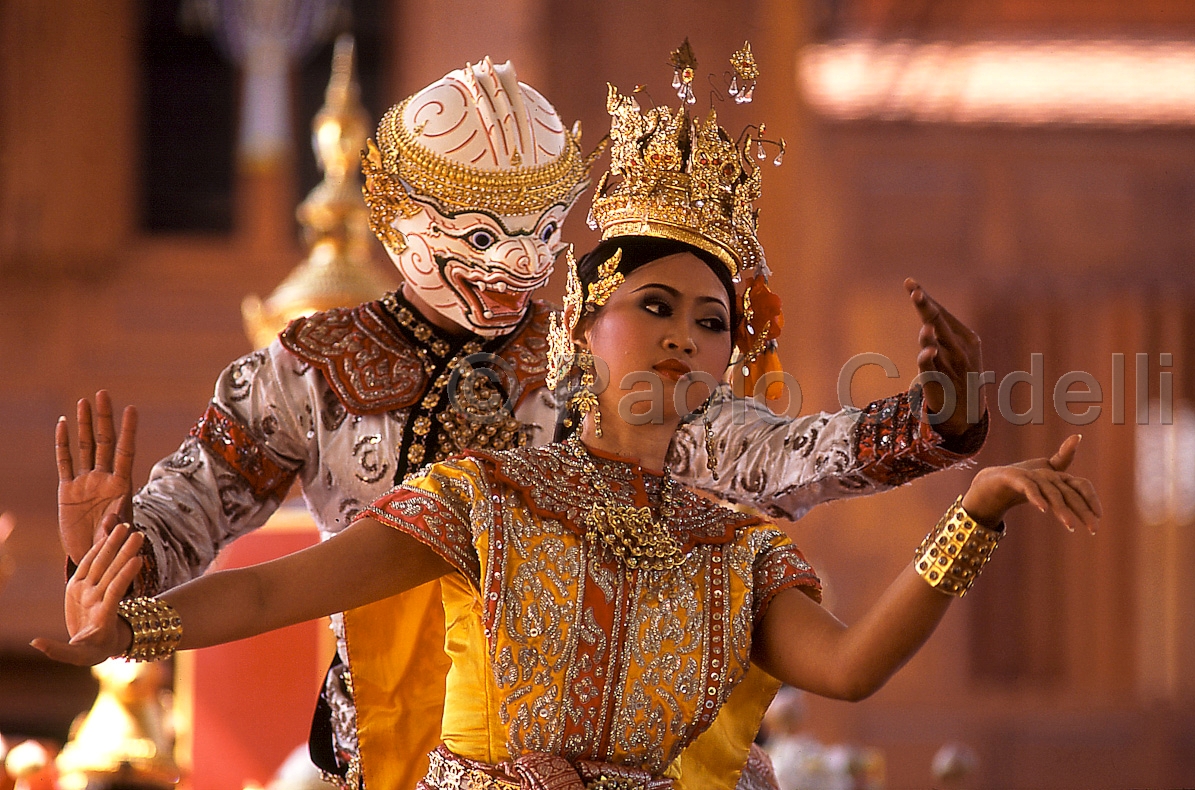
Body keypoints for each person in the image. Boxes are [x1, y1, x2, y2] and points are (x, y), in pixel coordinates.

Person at [52, 49, 989, 787]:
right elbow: (206, 548)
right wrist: (109, 557)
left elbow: (775, 454)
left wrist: (927, 423)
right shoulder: (306, 372)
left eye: (543, 232)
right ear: (396, 210)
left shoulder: (604, 369)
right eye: (480, 236)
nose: (514, 267)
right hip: (389, 738)